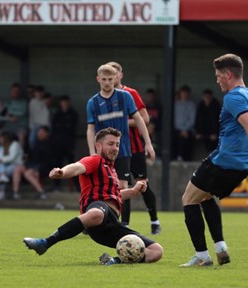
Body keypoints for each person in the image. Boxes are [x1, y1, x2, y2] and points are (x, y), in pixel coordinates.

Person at [180, 54, 248, 267]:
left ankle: (202, 257)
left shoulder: (234, 96)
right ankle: (221, 248)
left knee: (188, 199)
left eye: (218, 75)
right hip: (242, 165)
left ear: (228, 74)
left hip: (226, 160)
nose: (217, 80)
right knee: (204, 197)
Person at [23, 127, 163, 265]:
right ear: (98, 146)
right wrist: (62, 172)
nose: (115, 148)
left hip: (112, 224)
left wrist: (133, 191)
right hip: (98, 212)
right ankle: (46, 242)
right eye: (110, 144)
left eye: (117, 144)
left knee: (156, 251)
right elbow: (77, 167)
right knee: (97, 213)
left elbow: (114, 195)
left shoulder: (112, 170)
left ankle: (114, 261)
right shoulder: (95, 161)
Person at [86, 64, 155, 231]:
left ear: (116, 77)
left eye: (110, 79)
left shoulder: (125, 96)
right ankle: (89, 222)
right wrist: (92, 153)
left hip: (122, 150)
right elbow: (90, 128)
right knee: (96, 187)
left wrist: (148, 142)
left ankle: (123, 224)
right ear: (98, 79)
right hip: (101, 153)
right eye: (104, 79)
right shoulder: (93, 102)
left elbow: (139, 119)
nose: (108, 82)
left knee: (122, 187)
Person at [107, 61, 161, 234]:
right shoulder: (102, 98)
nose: (111, 77)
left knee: (142, 185)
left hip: (134, 148)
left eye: (114, 73)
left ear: (120, 75)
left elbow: (145, 119)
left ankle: (154, 220)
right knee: (121, 186)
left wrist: (120, 122)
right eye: (108, 74)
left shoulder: (130, 93)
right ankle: (123, 224)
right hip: (115, 150)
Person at [12, 126, 51, 200]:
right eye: (39, 132)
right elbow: (30, 156)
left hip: (42, 168)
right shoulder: (34, 143)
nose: (40, 134)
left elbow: (47, 161)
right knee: (18, 168)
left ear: (46, 134)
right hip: (32, 165)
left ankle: (42, 192)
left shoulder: (49, 145)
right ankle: (15, 193)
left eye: (42, 133)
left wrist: (36, 169)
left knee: (28, 173)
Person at [50, 95, 79, 191]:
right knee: (57, 164)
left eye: (66, 102)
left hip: (69, 143)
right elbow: (55, 128)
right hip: (58, 144)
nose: (64, 104)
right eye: (63, 102)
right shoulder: (57, 114)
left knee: (72, 165)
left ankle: (77, 187)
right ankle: (56, 186)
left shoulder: (73, 114)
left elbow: (72, 128)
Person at [0, 132, 24, 200]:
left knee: (1, 172)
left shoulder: (15, 144)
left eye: (1, 137)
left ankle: (1, 191)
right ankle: (3, 175)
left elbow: (11, 158)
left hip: (15, 166)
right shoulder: (1, 147)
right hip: (5, 167)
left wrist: (0, 160)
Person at [0, 83, 28, 147]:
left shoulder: (24, 102)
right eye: (13, 91)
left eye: (17, 91)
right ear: (11, 92)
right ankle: (4, 154)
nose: (15, 92)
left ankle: (20, 155)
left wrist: (10, 112)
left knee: (21, 136)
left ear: (20, 92)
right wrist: (9, 118)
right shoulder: (7, 103)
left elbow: (22, 112)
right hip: (9, 127)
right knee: (0, 135)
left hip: (20, 126)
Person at [174, 85, 196, 161]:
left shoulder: (191, 105)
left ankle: (182, 158)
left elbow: (191, 120)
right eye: (183, 92)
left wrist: (184, 130)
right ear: (180, 93)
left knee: (185, 138)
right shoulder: (175, 104)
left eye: (186, 93)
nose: (184, 94)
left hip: (187, 130)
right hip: (176, 129)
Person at [28, 85, 50, 150]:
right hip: (35, 125)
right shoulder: (32, 102)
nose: (39, 94)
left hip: (45, 125)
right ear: (35, 93)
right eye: (37, 92)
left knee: (45, 141)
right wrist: (31, 126)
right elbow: (31, 115)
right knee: (31, 140)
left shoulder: (46, 101)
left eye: (40, 92)